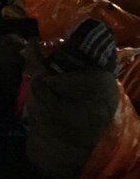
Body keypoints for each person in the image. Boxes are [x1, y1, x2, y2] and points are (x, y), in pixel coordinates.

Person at [24, 19, 119, 178]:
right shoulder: (107, 87)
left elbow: (37, 84)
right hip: (87, 168)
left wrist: (31, 44)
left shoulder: (54, 87)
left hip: (46, 166)